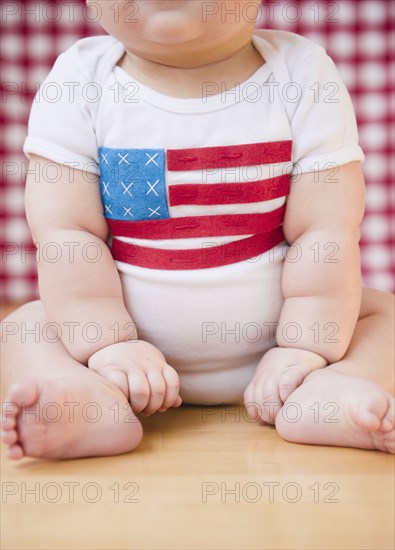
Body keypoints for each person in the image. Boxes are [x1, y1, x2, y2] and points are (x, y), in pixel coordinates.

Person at [1, 0, 394, 459]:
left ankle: (327, 392)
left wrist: (307, 347)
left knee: (383, 316)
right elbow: (67, 234)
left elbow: (325, 231)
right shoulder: (79, 81)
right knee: (23, 327)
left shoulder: (301, 73)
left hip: (281, 343)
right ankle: (92, 404)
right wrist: (106, 344)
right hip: (122, 348)